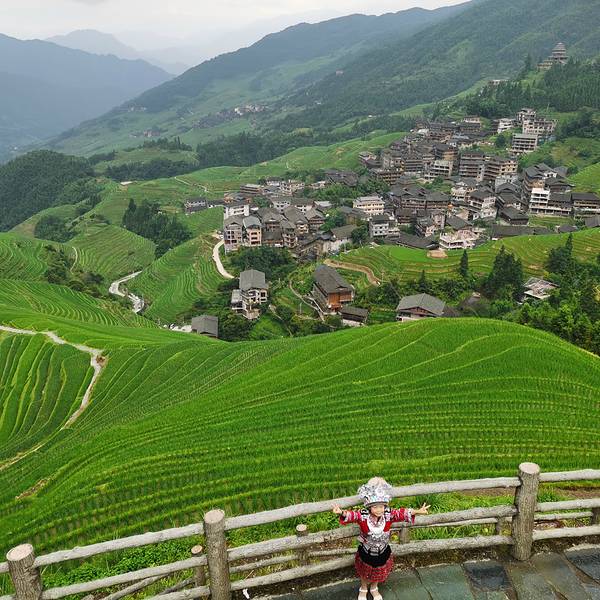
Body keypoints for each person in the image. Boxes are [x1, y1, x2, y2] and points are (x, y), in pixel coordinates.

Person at [333, 477, 430, 600]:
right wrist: (341, 512)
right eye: (375, 507)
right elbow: (352, 515)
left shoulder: (388, 514)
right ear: (369, 507)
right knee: (364, 572)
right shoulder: (363, 516)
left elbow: (400, 513)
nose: (379, 510)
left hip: (383, 550)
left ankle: (374, 587)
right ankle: (363, 587)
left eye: (381, 507)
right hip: (367, 550)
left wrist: (417, 511)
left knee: (378, 571)